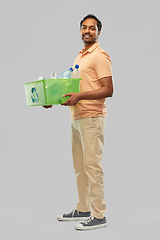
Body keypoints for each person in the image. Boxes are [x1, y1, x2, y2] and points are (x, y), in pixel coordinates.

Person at [43, 14, 113, 231]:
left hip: (92, 118)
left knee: (93, 167)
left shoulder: (100, 56)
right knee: (80, 167)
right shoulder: (80, 57)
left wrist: (80, 98)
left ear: (98, 32)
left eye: (92, 28)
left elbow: (108, 90)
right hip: (77, 118)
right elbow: (73, 88)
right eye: (84, 27)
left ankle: (99, 215)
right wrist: (53, 99)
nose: (87, 31)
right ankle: (83, 208)